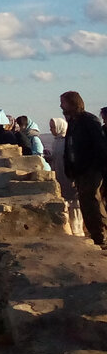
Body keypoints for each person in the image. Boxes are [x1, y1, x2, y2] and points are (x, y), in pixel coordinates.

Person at [60, 91, 107, 247]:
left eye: (64, 102)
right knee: (86, 204)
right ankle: (95, 236)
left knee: (93, 202)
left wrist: (98, 168)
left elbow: (100, 147)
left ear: (73, 103)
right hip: (79, 171)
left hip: (91, 170)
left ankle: (101, 237)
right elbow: (70, 147)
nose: (61, 106)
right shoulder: (73, 122)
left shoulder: (89, 120)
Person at [49, 116, 83, 237]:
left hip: (70, 177)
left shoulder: (68, 141)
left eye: (53, 127)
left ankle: (79, 232)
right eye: (51, 127)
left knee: (75, 206)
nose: (51, 129)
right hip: (60, 176)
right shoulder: (56, 141)